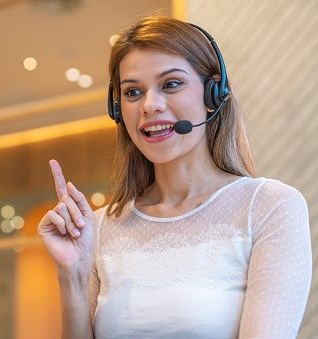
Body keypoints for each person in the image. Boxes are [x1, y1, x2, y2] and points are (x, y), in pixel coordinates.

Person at [38, 14, 312, 339]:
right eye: (132, 92)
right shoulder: (99, 228)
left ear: (213, 95)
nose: (150, 105)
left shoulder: (269, 206)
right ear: (117, 110)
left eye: (171, 84)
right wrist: (73, 274)